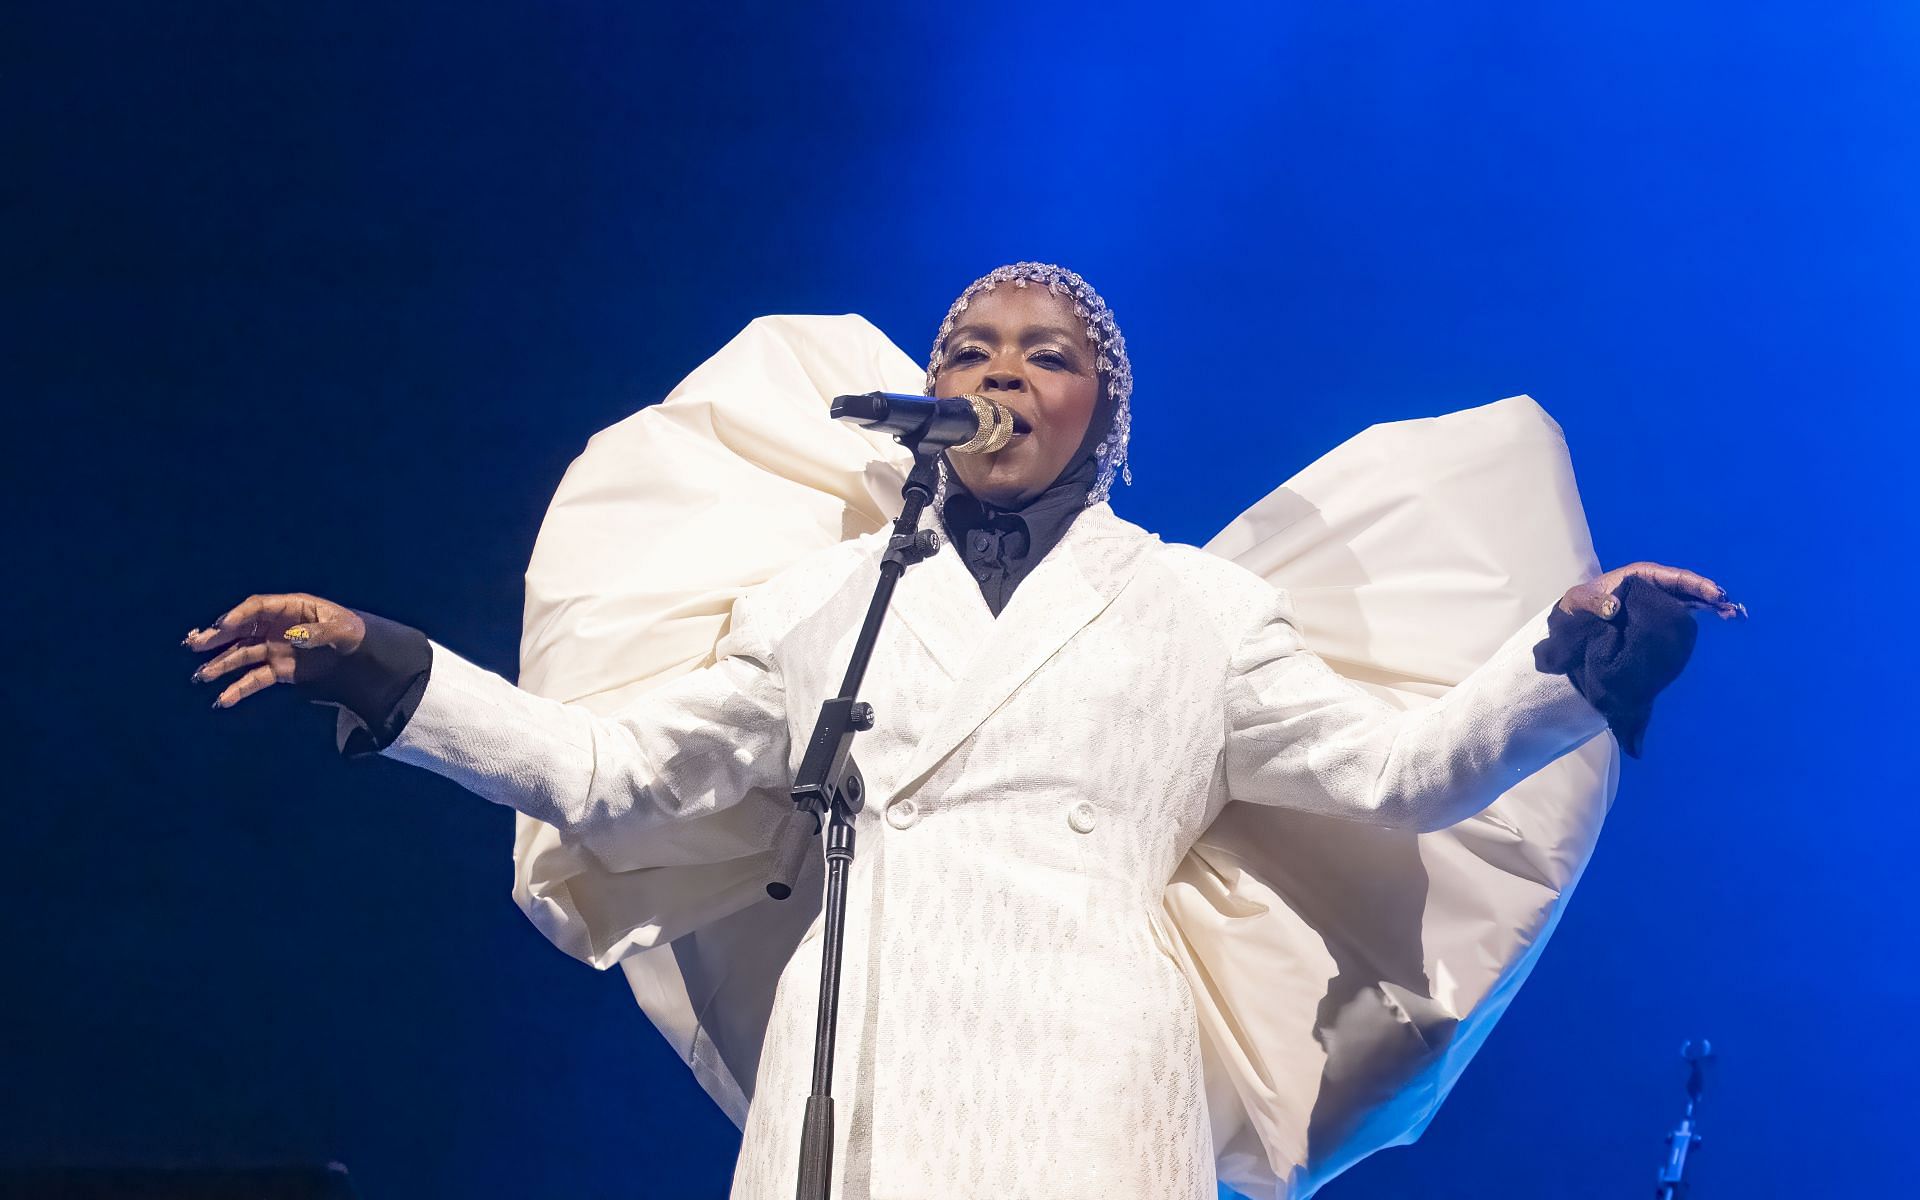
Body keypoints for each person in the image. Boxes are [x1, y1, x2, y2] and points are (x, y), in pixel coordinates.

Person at [184, 263, 1744, 1198]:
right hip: (859, 1058)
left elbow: (1401, 777)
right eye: (967, 351)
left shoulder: (1196, 609)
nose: (996, 368)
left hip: (1086, 1072)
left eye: (1044, 354)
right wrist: (393, 672)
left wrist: (1579, 666)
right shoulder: (831, 601)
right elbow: (613, 772)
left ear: (1104, 418)